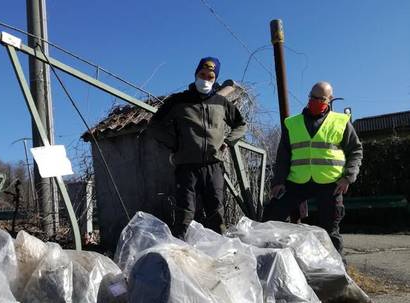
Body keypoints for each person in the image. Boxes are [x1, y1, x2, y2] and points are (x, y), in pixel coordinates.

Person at [147, 56, 247, 237]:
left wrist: (228, 141)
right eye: (202, 74)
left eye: (211, 77)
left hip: (213, 166)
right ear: (196, 74)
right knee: (184, 213)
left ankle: (220, 252)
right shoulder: (177, 101)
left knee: (216, 212)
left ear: (215, 79)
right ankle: (179, 254)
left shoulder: (221, 102)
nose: (206, 80)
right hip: (186, 167)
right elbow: (154, 126)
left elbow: (241, 125)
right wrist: (175, 144)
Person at [264, 81, 363, 255]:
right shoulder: (292, 123)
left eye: (321, 98)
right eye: (312, 97)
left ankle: (337, 271)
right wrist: (278, 181)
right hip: (297, 181)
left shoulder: (341, 121)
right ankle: (267, 258)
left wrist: (348, 176)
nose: (315, 101)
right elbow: (283, 156)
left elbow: (356, 150)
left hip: (330, 183)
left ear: (330, 99)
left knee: (330, 230)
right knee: (272, 216)